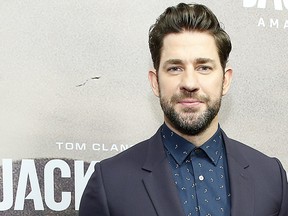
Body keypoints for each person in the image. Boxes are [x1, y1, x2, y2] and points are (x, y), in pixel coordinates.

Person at [79, 3, 288, 216]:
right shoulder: (110, 183)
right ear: (155, 82)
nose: (189, 83)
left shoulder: (272, 178)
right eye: (175, 68)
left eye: (203, 68)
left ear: (225, 80)